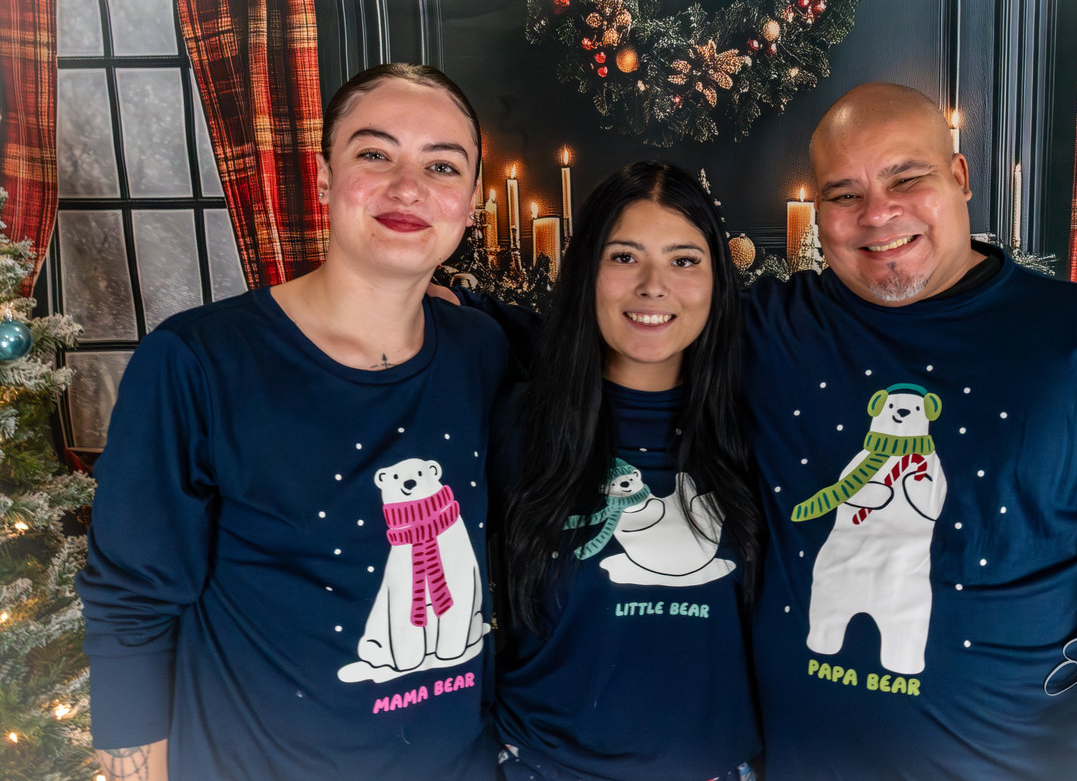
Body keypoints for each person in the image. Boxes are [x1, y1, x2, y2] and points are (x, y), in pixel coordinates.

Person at [742, 81, 1077, 780]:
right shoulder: (763, 330)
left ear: (959, 177)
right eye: (844, 193)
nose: (877, 214)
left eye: (905, 179)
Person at [77, 63, 507, 781]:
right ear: (324, 180)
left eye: (441, 165)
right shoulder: (197, 361)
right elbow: (130, 604)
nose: (408, 187)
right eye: (375, 154)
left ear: (468, 203)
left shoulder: (483, 351)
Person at [486, 161, 763, 781]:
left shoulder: (758, 429)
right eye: (624, 257)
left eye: (684, 260)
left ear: (717, 280)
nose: (653, 286)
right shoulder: (515, 424)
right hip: (541, 767)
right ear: (587, 271)